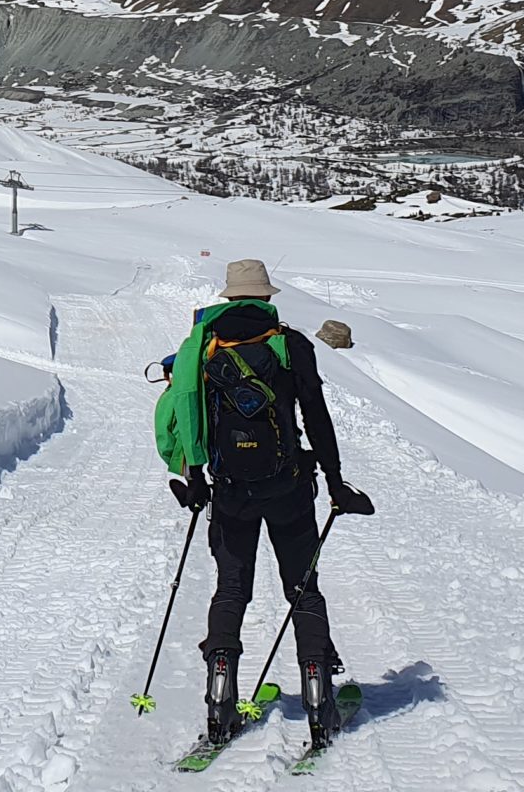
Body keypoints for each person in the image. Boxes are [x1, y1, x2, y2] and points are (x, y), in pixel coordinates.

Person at [154, 257, 375, 746]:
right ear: (267, 297)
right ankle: (319, 701)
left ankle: (220, 701)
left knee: (231, 589)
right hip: (289, 488)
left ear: (230, 297)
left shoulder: (202, 347)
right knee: (302, 589)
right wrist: (335, 481)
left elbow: (191, 415)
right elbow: (317, 417)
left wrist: (195, 478)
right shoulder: (290, 345)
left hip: (230, 491)